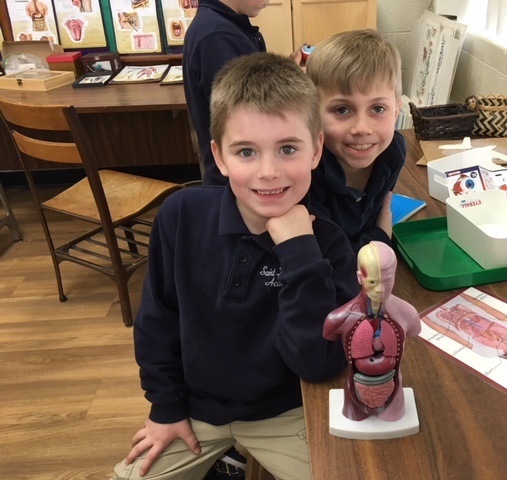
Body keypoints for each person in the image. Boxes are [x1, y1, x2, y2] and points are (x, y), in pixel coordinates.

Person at [112, 52, 359, 480]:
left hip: (283, 415)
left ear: (316, 149)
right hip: (193, 410)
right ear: (219, 157)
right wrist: (164, 407)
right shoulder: (180, 216)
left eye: (287, 149)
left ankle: (232, 461)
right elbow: (157, 322)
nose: (268, 172)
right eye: (246, 151)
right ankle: (225, 459)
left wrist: (300, 252)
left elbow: (317, 363)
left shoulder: (331, 245)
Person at [305, 29, 405, 256]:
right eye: (342, 109)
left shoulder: (393, 152)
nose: (362, 128)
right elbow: (329, 257)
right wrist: (381, 237)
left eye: (378, 109)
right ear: (312, 113)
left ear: (396, 111)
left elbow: (367, 228)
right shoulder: (306, 170)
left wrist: (376, 238)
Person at [323, 241, 421, 422]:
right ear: (360, 277)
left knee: (393, 419)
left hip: (393, 391)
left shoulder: (408, 314)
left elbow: (415, 329)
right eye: (374, 282)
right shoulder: (339, 319)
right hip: (355, 392)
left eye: (387, 281)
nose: (381, 289)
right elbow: (329, 331)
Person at [183, 0, 268, 186]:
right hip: (239, 181)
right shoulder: (219, 37)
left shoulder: (222, 26)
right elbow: (253, 114)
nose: (268, 2)